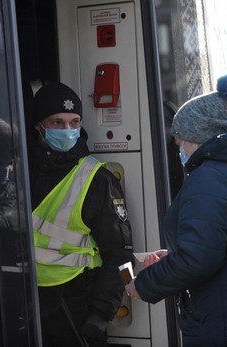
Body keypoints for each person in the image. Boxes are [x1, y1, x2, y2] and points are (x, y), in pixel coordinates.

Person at [125, 71, 227, 346]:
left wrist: (143, 285)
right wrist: (178, 253)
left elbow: (198, 260)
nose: (179, 150)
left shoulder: (210, 179)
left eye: (180, 142)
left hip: (225, 324)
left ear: (197, 138)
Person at [28, 82, 134, 347]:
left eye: (74, 122)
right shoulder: (20, 174)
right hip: (29, 302)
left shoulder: (97, 178)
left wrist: (102, 312)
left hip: (77, 306)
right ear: (38, 127)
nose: (68, 130)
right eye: (57, 122)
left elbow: (122, 255)